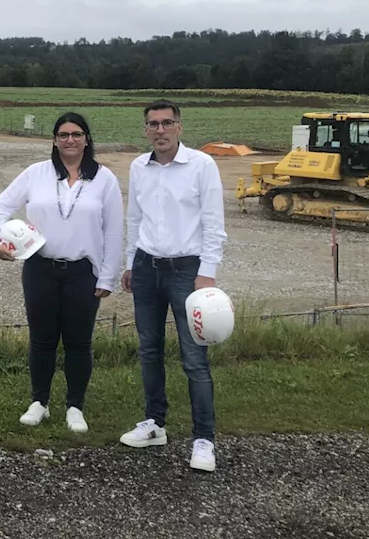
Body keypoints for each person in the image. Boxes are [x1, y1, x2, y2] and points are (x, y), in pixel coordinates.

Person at [0, 112, 123, 434]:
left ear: (87, 139)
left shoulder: (105, 179)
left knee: (78, 342)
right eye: (63, 135)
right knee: (42, 339)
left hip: (82, 273)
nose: (70, 140)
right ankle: (39, 403)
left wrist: (108, 277)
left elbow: (115, 230)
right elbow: (0, 207)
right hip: (40, 270)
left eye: (76, 134)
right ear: (54, 140)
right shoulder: (37, 174)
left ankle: (75, 406)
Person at [118, 99, 227, 472]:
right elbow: (134, 218)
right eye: (153, 124)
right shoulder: (139, 167)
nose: (160, 130)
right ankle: (155, 424)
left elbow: (214, 222)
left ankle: (204, 440)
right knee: (149, 350)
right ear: (145, 130)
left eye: (166, 123)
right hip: (147, 268)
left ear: (179, 127)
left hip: (187, 271)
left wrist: (206, 272)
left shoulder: (201, 165)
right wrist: (130, 262)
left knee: (194, 358)